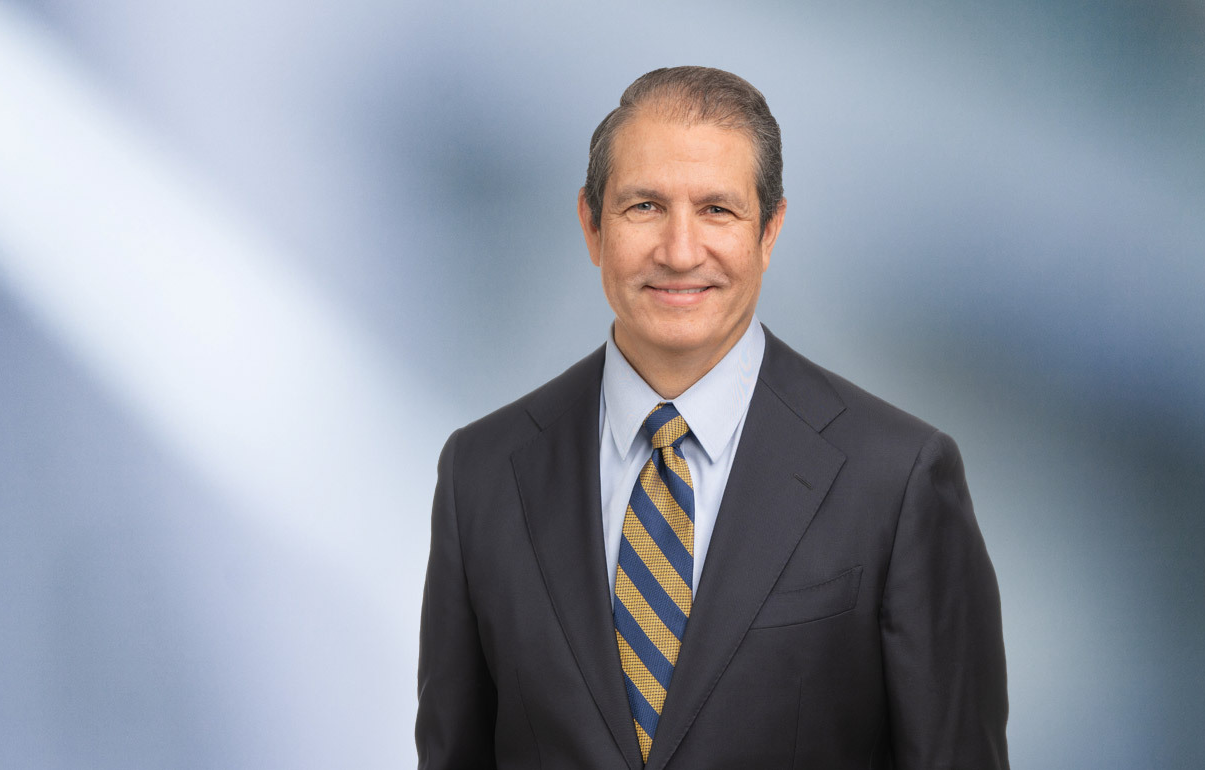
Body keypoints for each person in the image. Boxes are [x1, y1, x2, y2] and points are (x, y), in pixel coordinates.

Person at [416, 66, 1008, 769]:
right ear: (591, 224)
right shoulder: (480, 475)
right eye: (644, 207)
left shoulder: (899, 480)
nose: (680, 251)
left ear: (770, 230)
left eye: (717, 211)